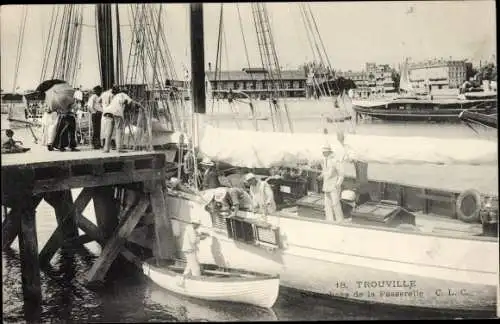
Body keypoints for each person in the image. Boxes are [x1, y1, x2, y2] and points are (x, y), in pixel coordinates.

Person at [45, 82, 79, 152]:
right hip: (70, 116)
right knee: (71, 132)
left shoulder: (55, 100)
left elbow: (51, 110)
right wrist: (73, 110)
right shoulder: (68, 98)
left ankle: (61, 146)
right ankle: (71, 146)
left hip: (61, 117)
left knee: (61, 132)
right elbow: (75, 108)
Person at [102, 88, 136, 153]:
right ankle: (119, 148)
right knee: (119, 130)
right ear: (126, 92)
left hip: (108, 112)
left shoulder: (116, 96)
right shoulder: (125, 95)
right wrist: (129, 109)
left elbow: (121, 103)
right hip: (117, 112)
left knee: (109, 131)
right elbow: (130, 103)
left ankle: (106, 149)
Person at [317, 144, 344, 222]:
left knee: (335, 204)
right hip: (326, 185)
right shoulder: (324, 160)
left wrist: (337, 184)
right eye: (323, 152)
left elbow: (341, 174)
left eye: (324, 152)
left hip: (334, 186)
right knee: (327, 204)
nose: (323, 153)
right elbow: (325, 172)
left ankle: (340, 220)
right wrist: (321, 176)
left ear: (329, 152)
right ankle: (329, 220)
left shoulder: (335, 160)